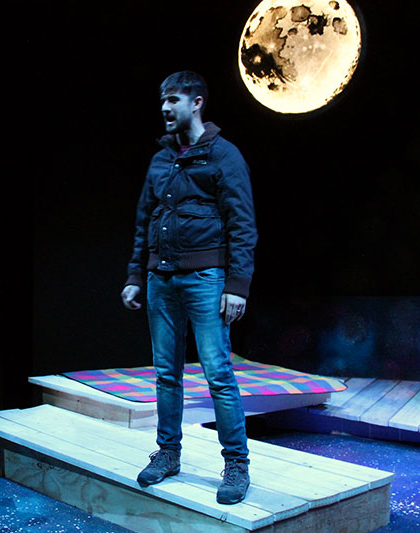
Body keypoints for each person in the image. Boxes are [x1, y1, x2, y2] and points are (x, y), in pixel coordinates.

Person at [121, 71, 257, 505]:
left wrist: (237, 284)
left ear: (196, 103)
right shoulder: (160, 160)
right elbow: (144, 220)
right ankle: (168, 453)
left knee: (218, 373)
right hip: (161, 280)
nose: (164, 107)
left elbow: (242, 223)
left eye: (173, 99)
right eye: (162, 99)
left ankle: (236, 464)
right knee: (166, 373)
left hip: (205, 279)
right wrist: (133, 275)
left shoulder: (224, 155)